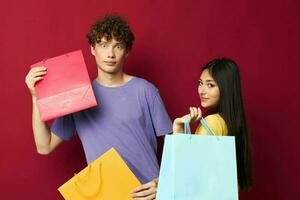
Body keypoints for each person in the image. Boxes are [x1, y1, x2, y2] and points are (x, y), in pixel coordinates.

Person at [25, 15, 172, 199]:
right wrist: (35, 97)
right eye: (103, 45)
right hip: (107, 195)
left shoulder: (146, 91)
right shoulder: (78, 96)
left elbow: (176, 149)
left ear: (126, 51)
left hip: (148, 194)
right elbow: (43, 146)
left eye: (117, 46)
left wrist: (162, 183)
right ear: (93, 49)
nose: (110, 54)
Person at [173, 58, 252, 191]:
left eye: (210, 85)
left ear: (226, 88)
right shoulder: (231, 122)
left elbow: (187, 173)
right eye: (200, 83)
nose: (201, 91)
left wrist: (178, 128)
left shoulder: (211, 122)